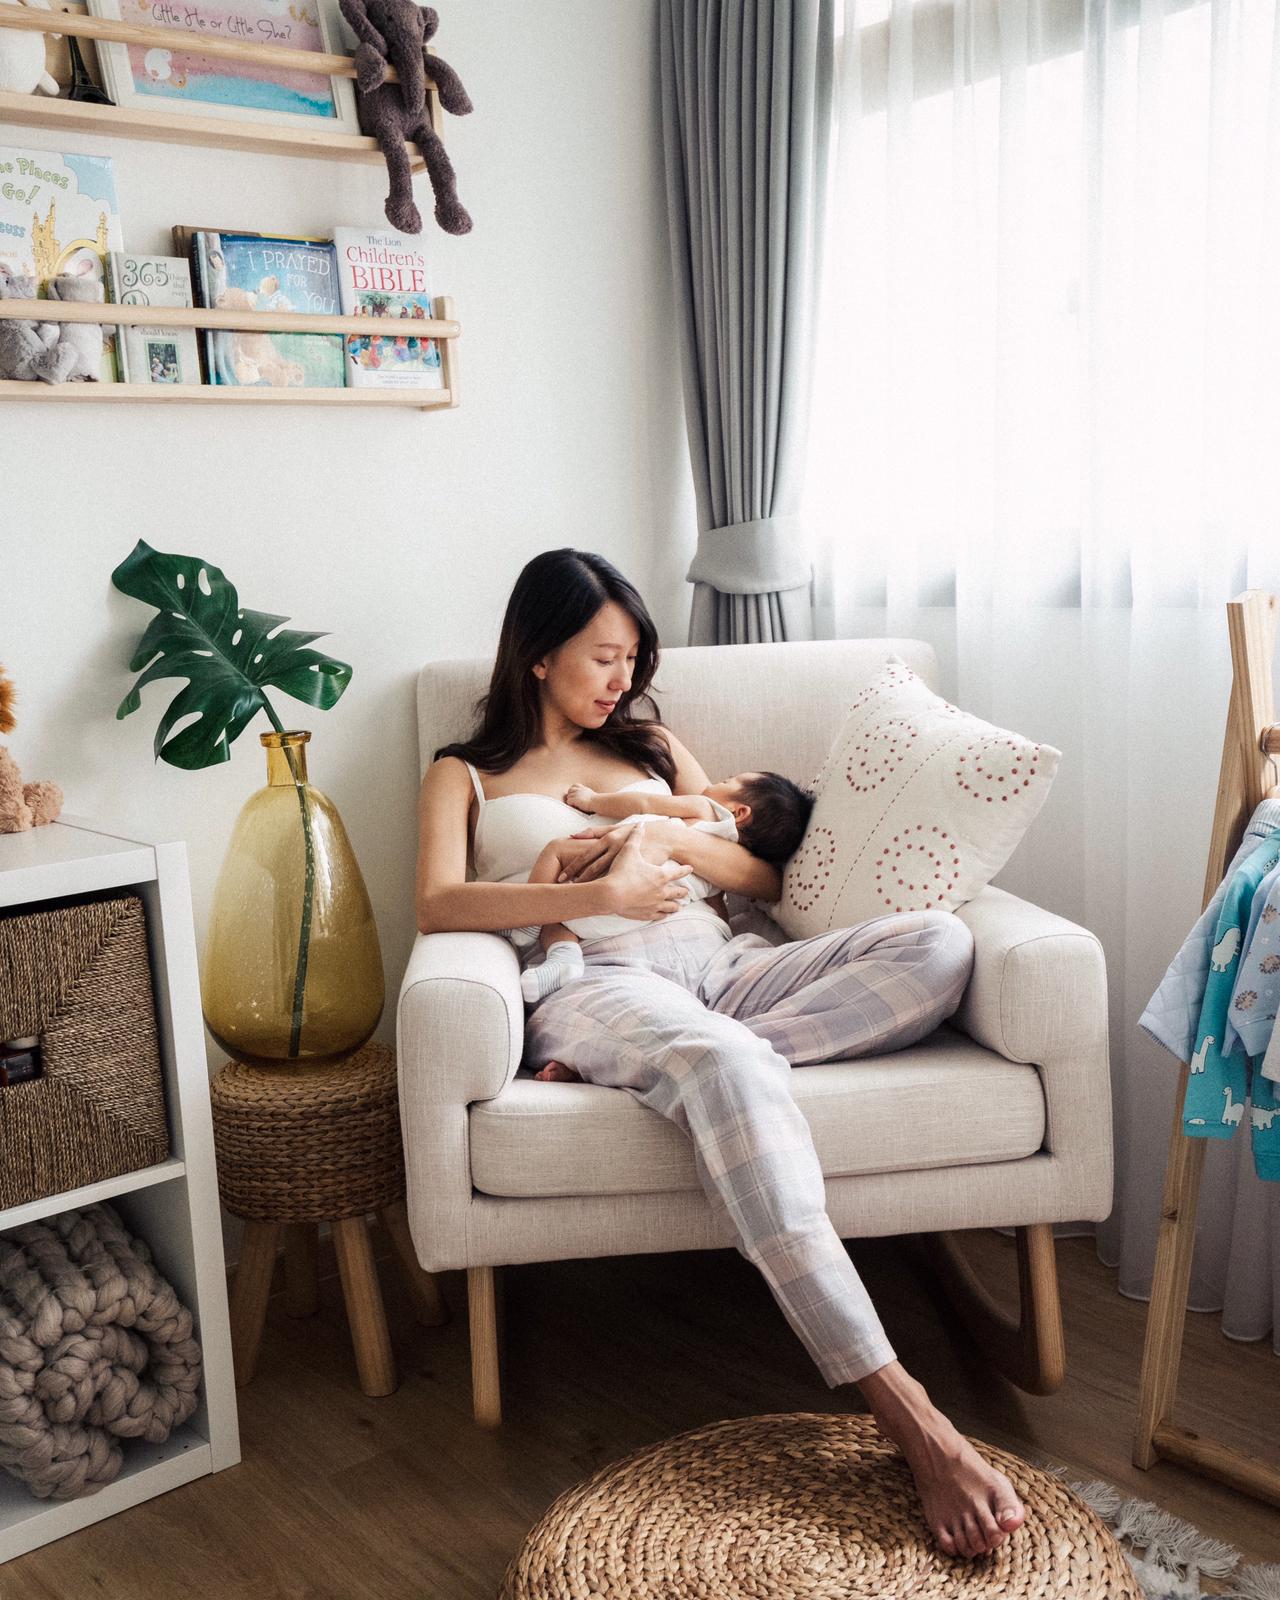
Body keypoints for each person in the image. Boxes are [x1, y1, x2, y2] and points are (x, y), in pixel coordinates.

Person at [416, 547, 1026, 1560]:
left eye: (631, 658)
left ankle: (714, 1073)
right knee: (729, 1066)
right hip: (600, 986)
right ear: (536, 653)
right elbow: (437, 903)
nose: (622, 679)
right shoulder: (465, 771)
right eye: (603, 657)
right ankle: (906, 1411)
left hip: (728, 961)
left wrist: (674, 840)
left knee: (938, 941)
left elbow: (757, 874)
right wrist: (587, 896)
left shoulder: (651, 747)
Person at [506, 769, 812, 1007]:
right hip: (646, 912)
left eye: (727, 780)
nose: (715, 781)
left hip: (605, 890)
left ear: (739, 812)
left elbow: (643, 802)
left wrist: (593, 800)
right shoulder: (717, 865)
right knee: (571, 912)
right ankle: (564, 961)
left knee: (556, 857)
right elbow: (720, 908)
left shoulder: (705, 809)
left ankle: (530, 925)